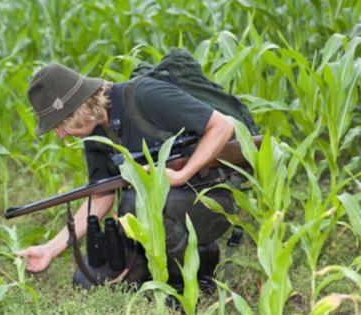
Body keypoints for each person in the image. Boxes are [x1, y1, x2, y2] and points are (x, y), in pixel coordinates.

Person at [18, 62, 240, 289]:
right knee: (88, 281)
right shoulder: (96, 133)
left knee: (135, 202)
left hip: (211, 196)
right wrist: (51, 248)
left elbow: (222, 126)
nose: (61, 135)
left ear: (79, 107)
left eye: (60, 124)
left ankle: (193, 271)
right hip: (154, 212)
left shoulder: (145, 95)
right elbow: (102, 194)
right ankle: (158, 266)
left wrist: (182, 174)